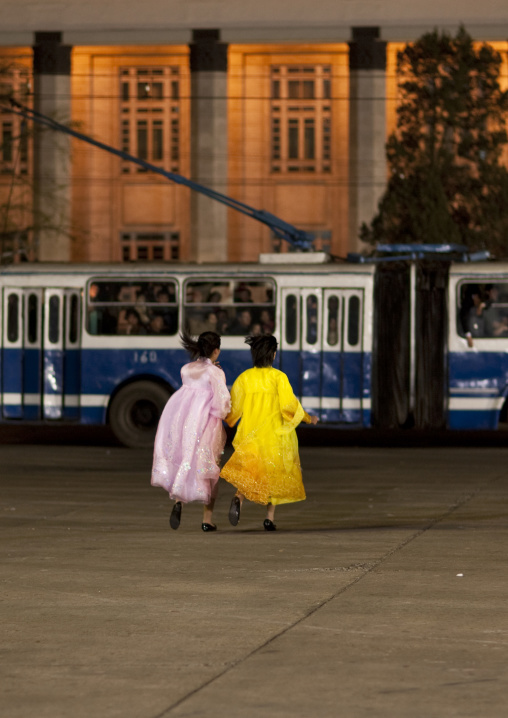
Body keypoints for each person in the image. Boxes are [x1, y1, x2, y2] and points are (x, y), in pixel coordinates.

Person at [221, 334, 318, 531]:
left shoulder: (244, 378)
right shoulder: (279, 378)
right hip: (274, 435)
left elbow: (233, 410)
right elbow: (290, 407)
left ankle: (238, 498)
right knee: (273, 474)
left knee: (252, 473)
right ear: (273, 355)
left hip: (251, 434)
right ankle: (269, 517)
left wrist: (227, 421)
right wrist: (308, 418)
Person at [151, 331, 231, 532]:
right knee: (209, 469)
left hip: (184, 422)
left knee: (187, 460)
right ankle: (207, 519)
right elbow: (222, 404)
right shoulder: (216, 372)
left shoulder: (186, 369)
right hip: (207, 425)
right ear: (216, 350)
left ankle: (178, 501)